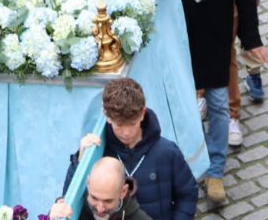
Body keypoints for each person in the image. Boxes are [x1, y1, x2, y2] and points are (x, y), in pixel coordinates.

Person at [177, 0, 268, 208]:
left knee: (218, 106)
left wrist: (251, 40)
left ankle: (214, 171)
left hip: (216, 41)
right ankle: (187, 163)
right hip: (183, 39)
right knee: (184, 106)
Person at [61, 77, 198, 220]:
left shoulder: (167, 152)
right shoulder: (98, 153)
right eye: (119, 125)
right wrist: (80, 163)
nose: (126, 132)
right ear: (107, 116)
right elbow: (70, 200)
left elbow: (188, 195)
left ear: (142, 113)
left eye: (132, 124)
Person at [50, 156, 151, 220]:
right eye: (94, 198)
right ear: (88, 184)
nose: (100, 209)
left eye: (108, 201)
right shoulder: (68, 207)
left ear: (123, 192)